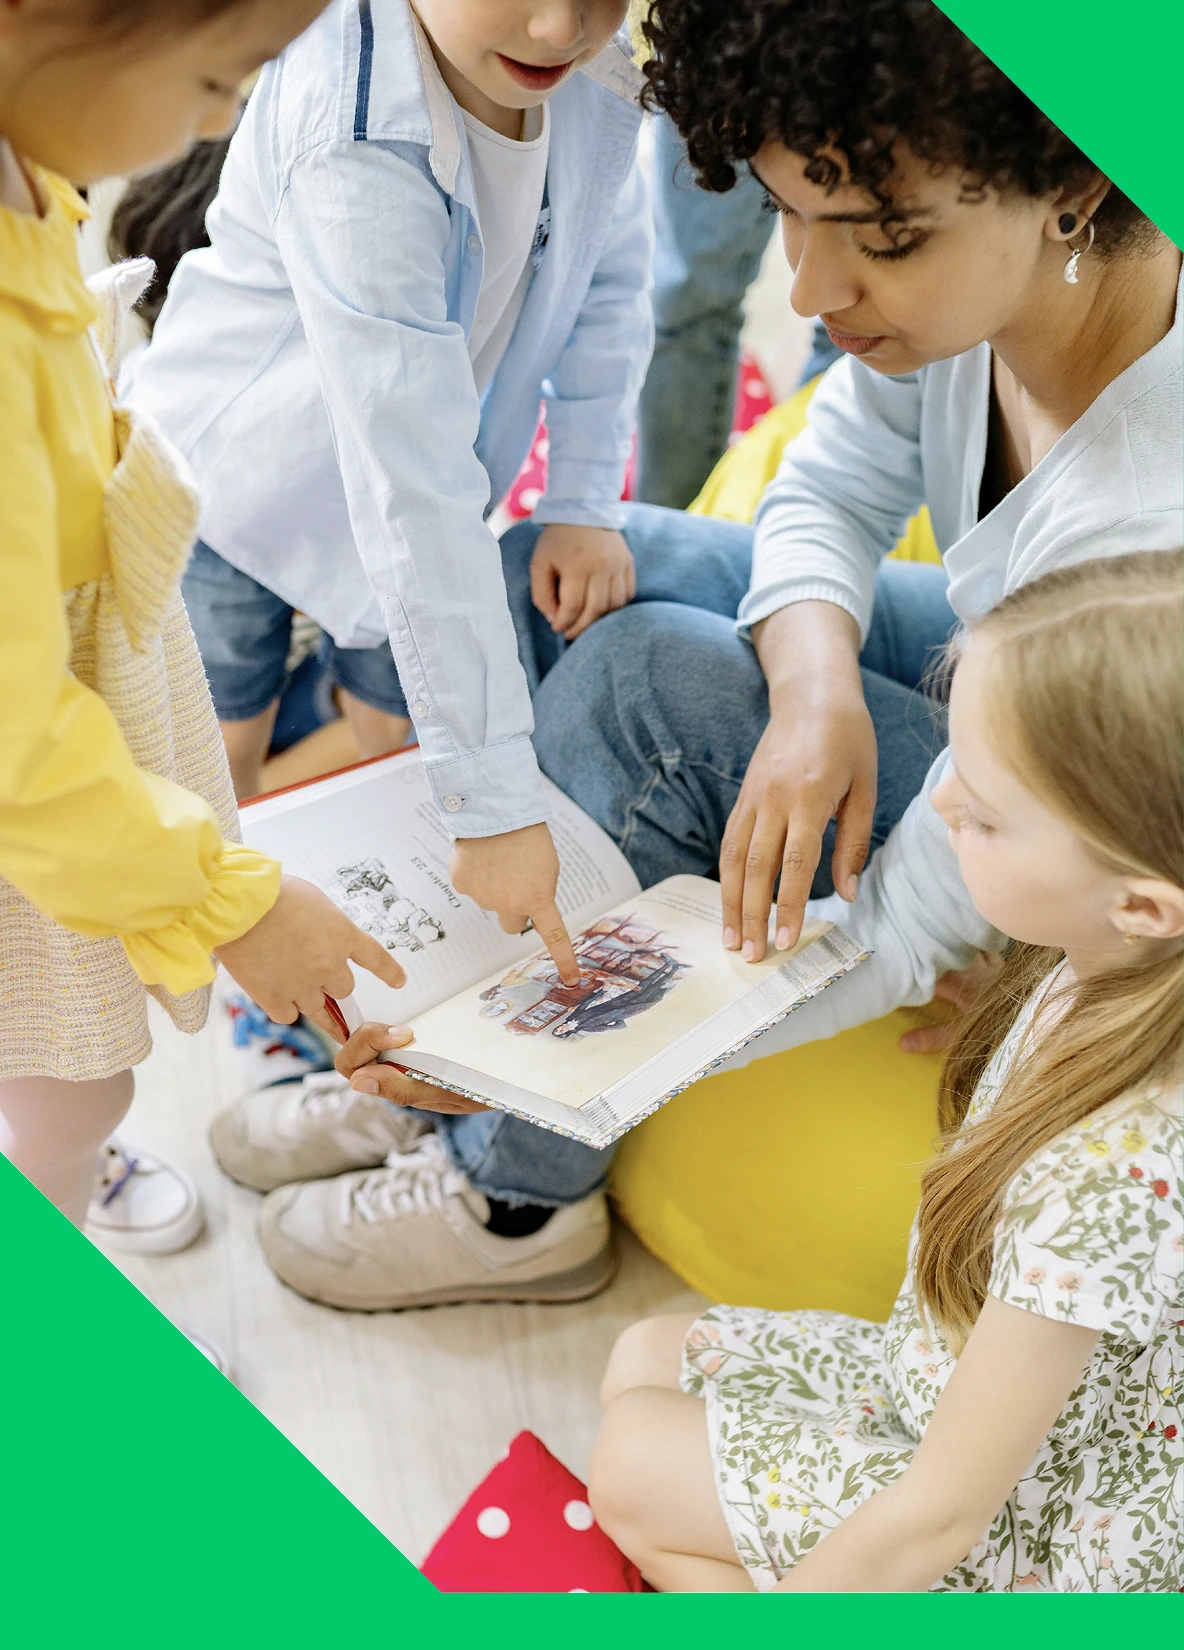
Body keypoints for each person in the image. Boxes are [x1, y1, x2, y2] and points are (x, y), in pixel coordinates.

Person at [207, 0, 1183, 1311]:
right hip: (1017, 676)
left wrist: (527, 1060)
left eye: (881, 239)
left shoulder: (1147, 521)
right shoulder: (992, 299)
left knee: (643, 684)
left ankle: (512, 1185)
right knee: (548, 576)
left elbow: (905, 930)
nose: (812, 290)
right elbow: (824, 485)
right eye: (790, 211)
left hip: (1103, 837)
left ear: (1072, 180)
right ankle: (449, 1020)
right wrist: (814, 680)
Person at [588, 551, 1183, 1593]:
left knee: (630, 1469)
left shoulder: (1114, 1174)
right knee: (644, 1356)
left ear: (1139, 904)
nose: (941, 807)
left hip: (1037, 1537)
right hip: (945, 1384)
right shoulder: (1110, 960)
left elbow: (940, 1520)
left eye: (987, 814)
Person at [130, 0, 651, 997]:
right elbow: (408, 487)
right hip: (236, 491)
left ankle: (394, 972)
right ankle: (247, 992)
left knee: (404, 755)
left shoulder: (599, 74)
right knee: (213, 771)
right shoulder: (350, 130)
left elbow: (606, 285)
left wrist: (585, 496)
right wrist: (493, 806)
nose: (556, 29)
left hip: (418, 507)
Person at [0, 0, 404, 1263]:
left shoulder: (33, 164)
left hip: (73, 754)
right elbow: (17, 743)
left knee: (67, 1084)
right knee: (77, 1088)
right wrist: (231, 902)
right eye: (219, 77)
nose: (221, 120)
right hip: (50, 781)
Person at [636, 110, 838, 510]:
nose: (806, 297)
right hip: (730, 55)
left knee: (856, 327)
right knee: (684, 298)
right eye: (783, 207)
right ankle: (672, 520)